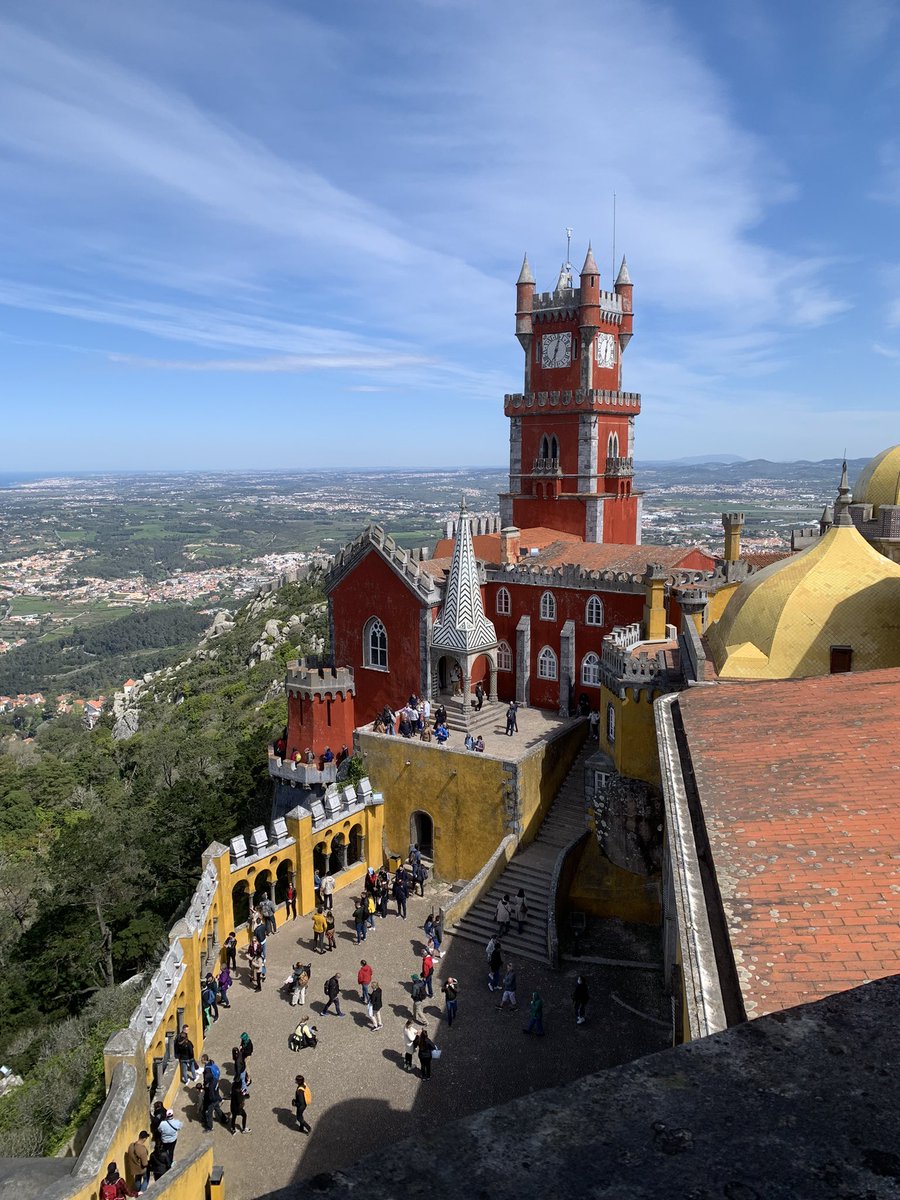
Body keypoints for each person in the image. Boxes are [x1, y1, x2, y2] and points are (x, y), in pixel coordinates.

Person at [201, 1055, 224, 1131]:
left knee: (209, 1111)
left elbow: (207, 1081)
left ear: (204, 1060)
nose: (201, 1061)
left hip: (211, 1095)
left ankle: (209, 1127)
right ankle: (224, 1119)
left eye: (202, 1059)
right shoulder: (212, 1064)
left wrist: (212, 1099)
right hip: (215, 1092)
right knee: (217, 1107)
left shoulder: (208, 1071)